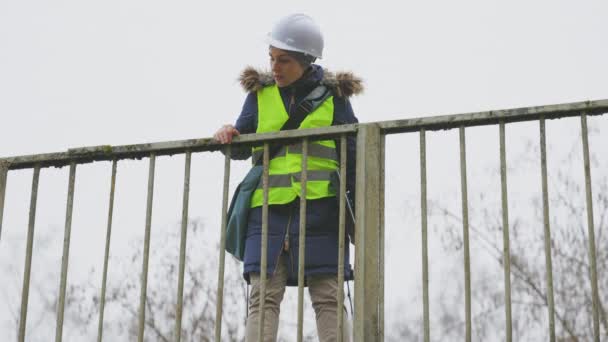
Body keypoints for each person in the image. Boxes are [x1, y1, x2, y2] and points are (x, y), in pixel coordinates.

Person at [213, 13, 362, 342]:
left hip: (322, 210)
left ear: (307, 61)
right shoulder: (259, 96)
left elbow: (352, 157)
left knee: (328, 297)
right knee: (262, 297)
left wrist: (357, 213)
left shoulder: (335, 97)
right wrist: (229, 134)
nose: (275, 67)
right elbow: (240, 145)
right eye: (272, 59)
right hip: (266, 209)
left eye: (284, 60)